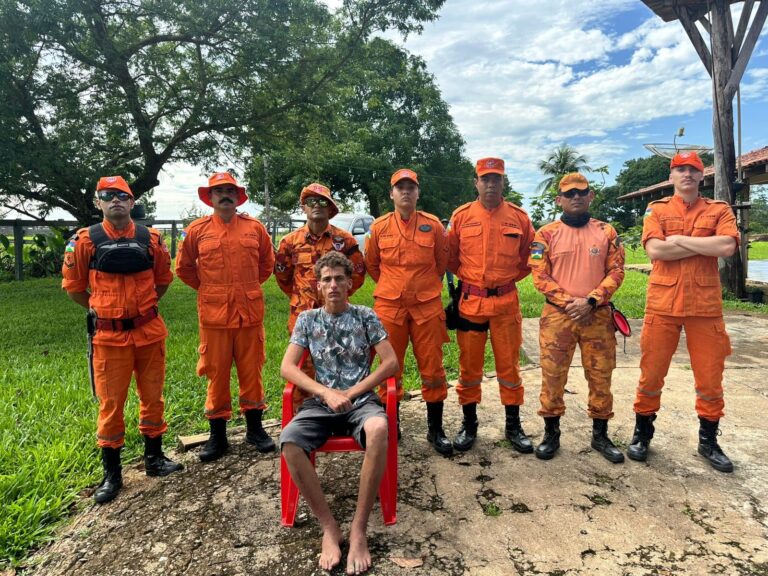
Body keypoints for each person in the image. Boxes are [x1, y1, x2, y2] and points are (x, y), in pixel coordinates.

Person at [62, 175, 182, 504]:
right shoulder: (84, 241)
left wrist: (142, 310)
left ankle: (155, 459)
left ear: (132, 202)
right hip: (108, 339)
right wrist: (103, 310)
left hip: (149, 333)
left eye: (122, 195)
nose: (116, 200)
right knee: (111, 405)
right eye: (108, 195)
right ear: (98, 202)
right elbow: (74, 289)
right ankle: (112, 474)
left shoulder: (152, 239)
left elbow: (162, 281)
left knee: (153, 397)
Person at [280, 252, 398, 575]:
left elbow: (391, 363)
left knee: (377, 429)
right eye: (327, 280)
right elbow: (287, 368)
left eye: (339, 279)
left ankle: (359, 530)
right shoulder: (308, 320)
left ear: (350, 284)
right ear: (319, 286)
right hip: (322, 403)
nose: (333, 285)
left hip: (361, 402)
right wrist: (326, 393)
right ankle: (330, 528)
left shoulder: (365, 316)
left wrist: (351, 392)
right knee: (289, 440)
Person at [628, 151, 738, 473]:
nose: (687, 174)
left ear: (702, 176)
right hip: (663, 306)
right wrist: (701, 243)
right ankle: (642, 434)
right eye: (681, 169)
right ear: (672, 176)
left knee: (710, 378)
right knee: (651, 375)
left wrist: (678, 239)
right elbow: (655, 250)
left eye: (693, 169)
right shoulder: (657, 209)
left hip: (705, 309)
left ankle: (709, 441)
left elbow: (727, 247)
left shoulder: (719, 209)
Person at [176, 171, 276, 461]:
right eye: (218, 190)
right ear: (210, 197)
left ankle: (255, 429)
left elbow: (266, 265)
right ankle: (217, 436)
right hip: (214, 317)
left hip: (249, 314)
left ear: (238, 195)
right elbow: (183, 269)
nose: (225, 195)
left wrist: (246, 288)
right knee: (216, 375)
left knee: (252, 371)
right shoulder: (195, 230)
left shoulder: (255, 228)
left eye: (230, 189)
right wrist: (210, 289)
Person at [528, 173, 625, 463]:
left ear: (591, 196)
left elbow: (617, 271)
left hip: (597, 316)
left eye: (582, 192)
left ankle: (600, 434)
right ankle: (551, 433)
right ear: (559, 199)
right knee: (553, 375)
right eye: (569, 194)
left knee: (600, 375)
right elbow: (539, 274)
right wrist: (570, 302)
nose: (576, 198)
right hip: (558, 317)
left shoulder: (607, 232)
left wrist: (592, 300)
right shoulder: (544, 234)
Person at [447, 157, 536, 452]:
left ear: (503, 182)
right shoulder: (461, 217)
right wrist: (474, 282)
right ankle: (469, 424)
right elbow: (450, 258)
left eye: (496, 178)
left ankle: (513, 426)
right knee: (469, 367)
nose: (490, 184)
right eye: (485, 179)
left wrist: (505, 281)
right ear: (476, 182)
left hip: (506, 303)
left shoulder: (519, 218)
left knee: (509, 367)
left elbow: (529, 259)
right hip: (471, 303)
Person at [365, 168, 452, 455]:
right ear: (391, 193)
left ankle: (435, 429)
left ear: (418, 193)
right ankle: (392, 423)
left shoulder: (433, 226)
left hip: (427, 307)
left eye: (410, 187)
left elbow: (441, 263)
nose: (405, 192)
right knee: (389, 368)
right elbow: (373, 265)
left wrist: (423, 288)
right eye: (399, 187)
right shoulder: (378, 227)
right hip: (390, 308)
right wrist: (394, 287)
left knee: (433, 369)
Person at [274, 182, 365, 334]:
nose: (317, 205)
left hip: (337, 312)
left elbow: (357, 275)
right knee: (302, 357)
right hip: (302, 314)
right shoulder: (289, 242)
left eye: (322, 201)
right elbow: (283, 278)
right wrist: (302, 295)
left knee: (338, 355)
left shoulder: (346, 241)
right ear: (304, 207)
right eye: (311, 201)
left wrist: (336, 293)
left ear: (330, 207)